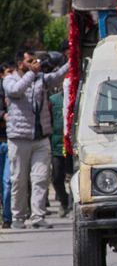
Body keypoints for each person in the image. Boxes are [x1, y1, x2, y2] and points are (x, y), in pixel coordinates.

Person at [2, 48, 71, 229]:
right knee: (19, 179)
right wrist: (31, 75)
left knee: (41, 178)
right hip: (19, 138)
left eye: (36, 60)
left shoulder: (39, 78)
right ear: (20, 64)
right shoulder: (10, 79)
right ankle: (18, 216)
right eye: (31, 61)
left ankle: (38, 216)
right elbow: (16, 91)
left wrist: (73, 60)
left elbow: (57, 77)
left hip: (41, 138)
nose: (36, 63)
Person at [49, 87, 70, 218]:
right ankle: (64, 201)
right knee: (56, 178)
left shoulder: (77, 96)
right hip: (57, 145)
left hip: (72, 146)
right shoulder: (53, 100)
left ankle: (72, 204)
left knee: (75, 177)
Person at [0, 61, 13, 228]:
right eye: (9, 72)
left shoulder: (18, 91)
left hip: (11, 142)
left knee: (8, 182)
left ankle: (7, 217)